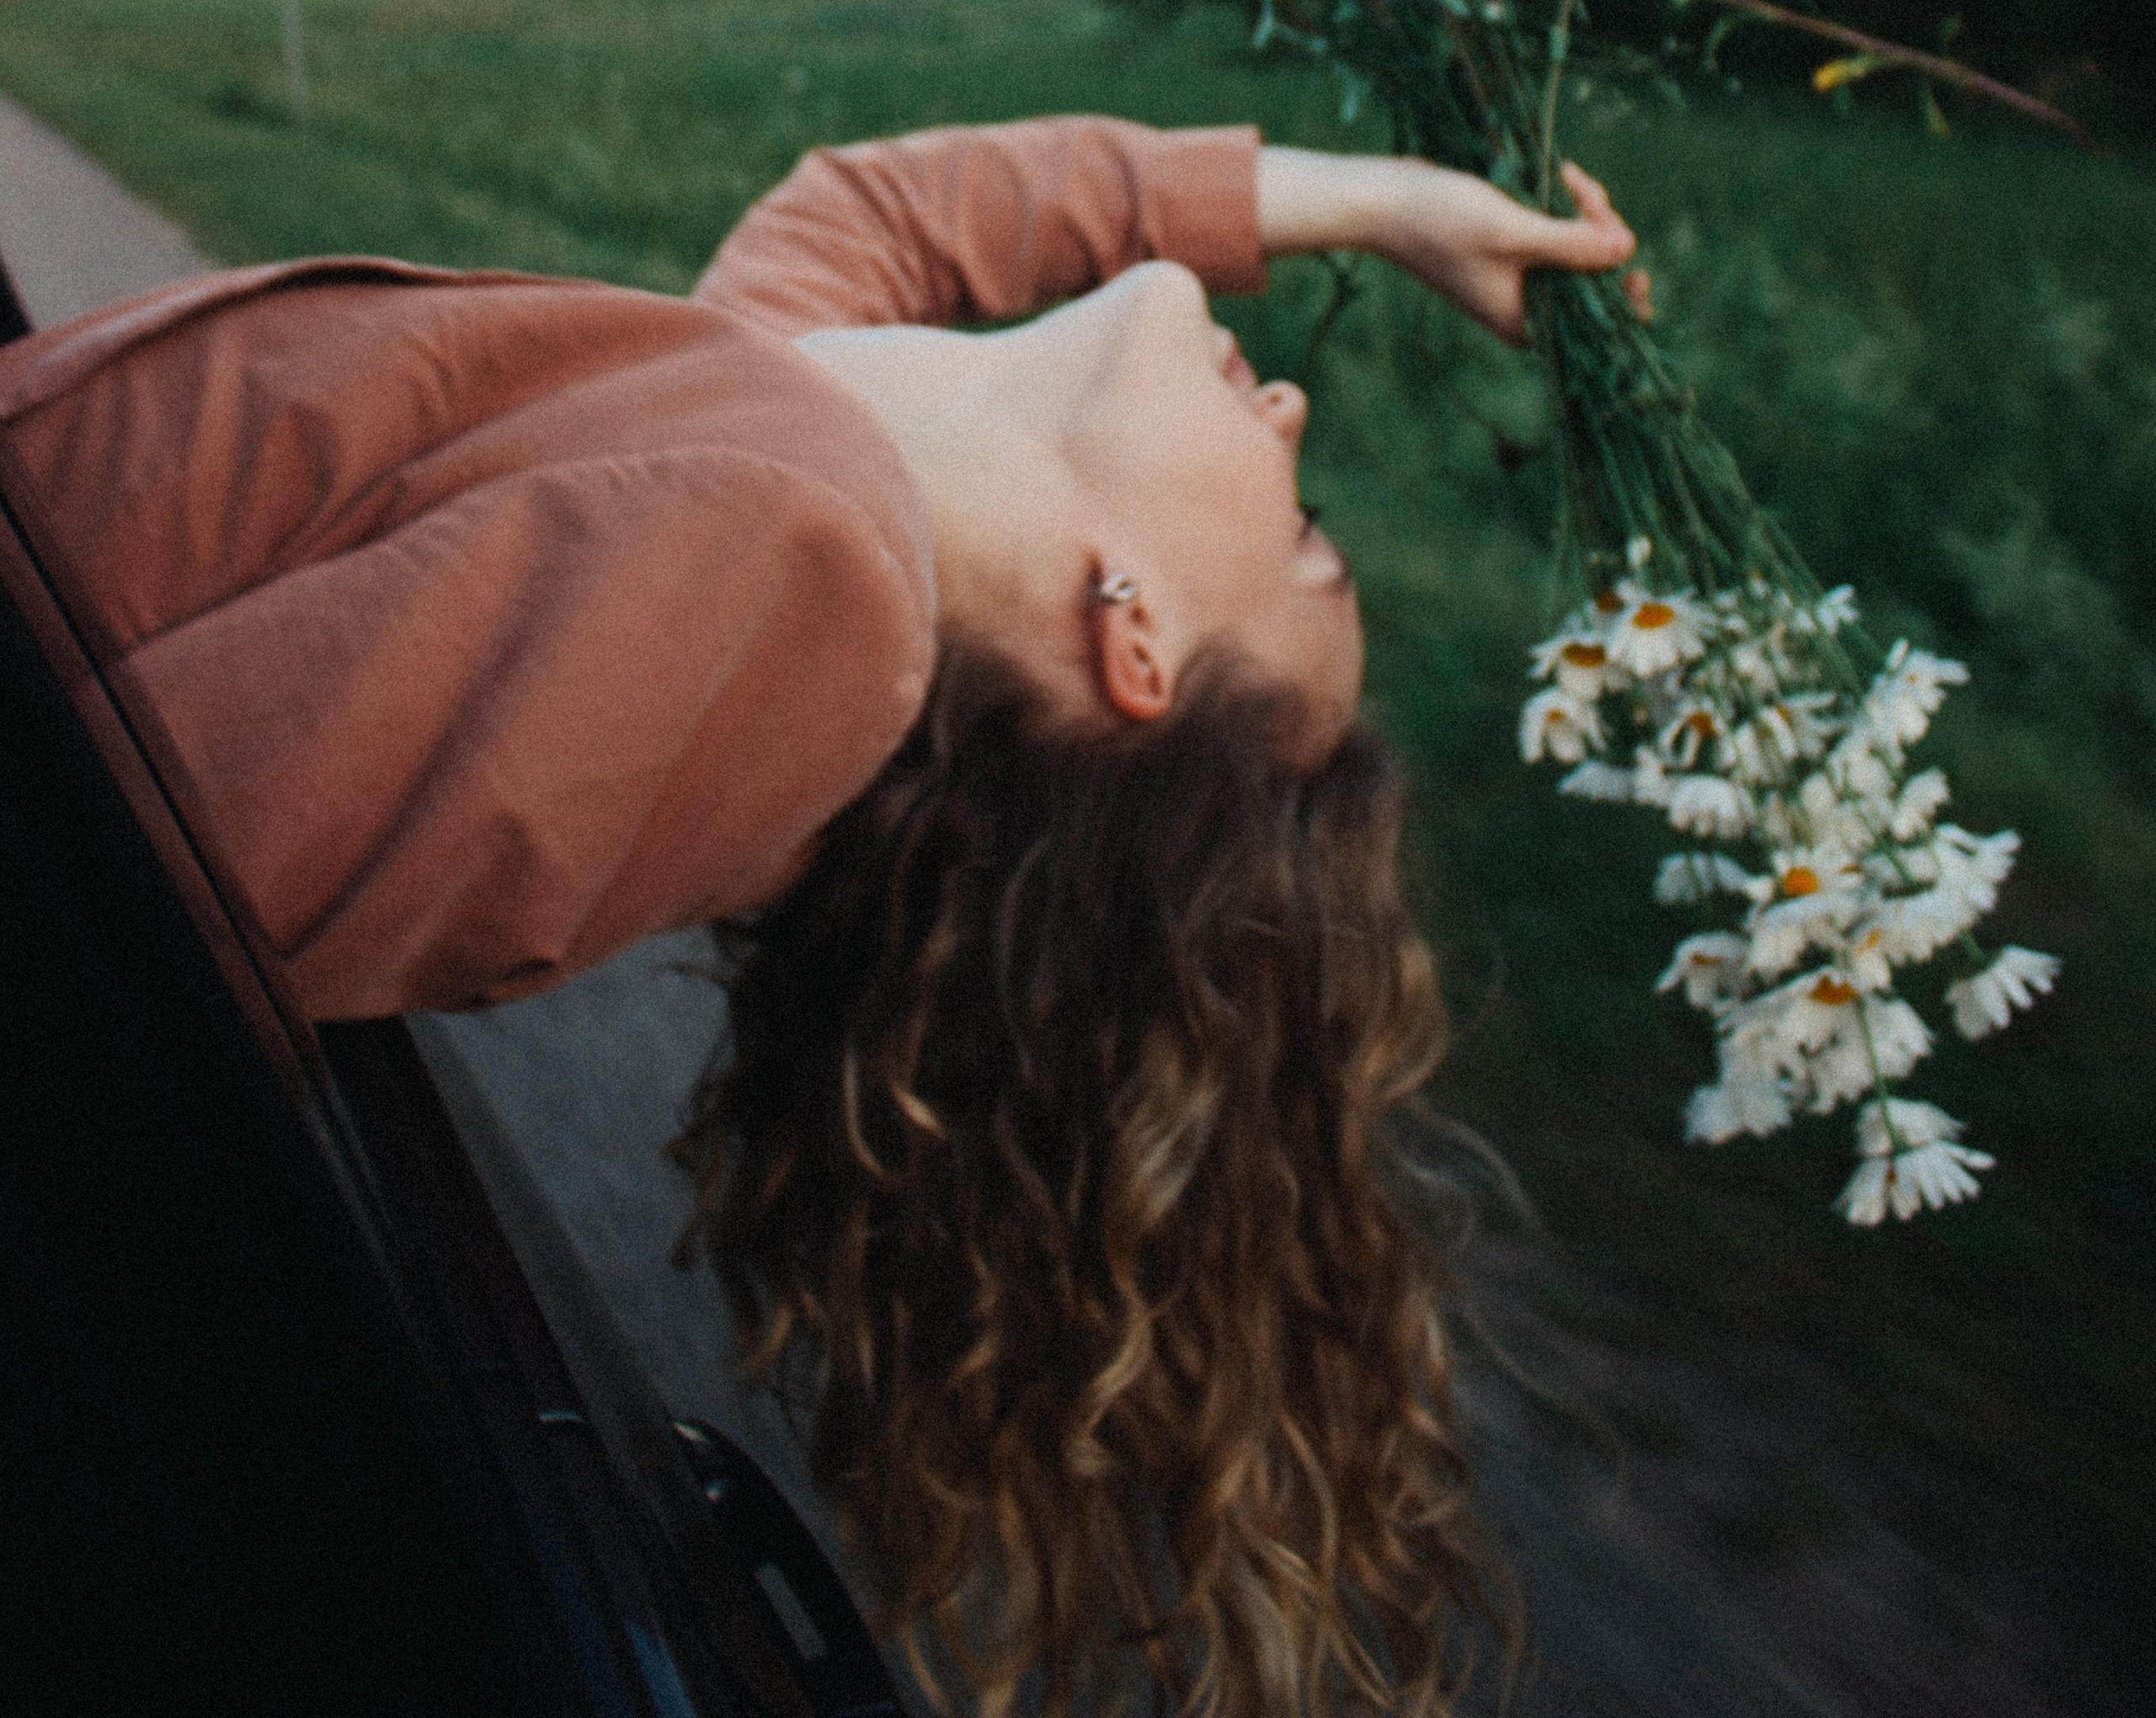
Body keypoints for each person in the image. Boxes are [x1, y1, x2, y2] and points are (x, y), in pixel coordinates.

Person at [0, 115, 1634, 1716]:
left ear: (1134, 641)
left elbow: (106, 895)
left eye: (1304, 527)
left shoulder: (797, 574)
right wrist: (1385, 203)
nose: (1290, 403)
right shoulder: (803, 419)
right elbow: (889, 207)